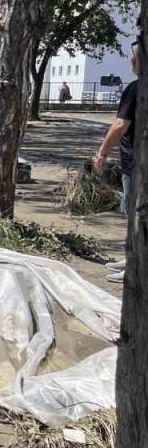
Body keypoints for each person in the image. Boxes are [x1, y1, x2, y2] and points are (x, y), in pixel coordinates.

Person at [94, 51, 140, 281]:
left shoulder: (136, 88)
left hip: (137, 163)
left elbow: (120, 124)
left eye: (133, 58)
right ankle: (131, 257)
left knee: (136, 215)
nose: (130, 62)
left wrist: (102, 152)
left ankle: (136, 267)